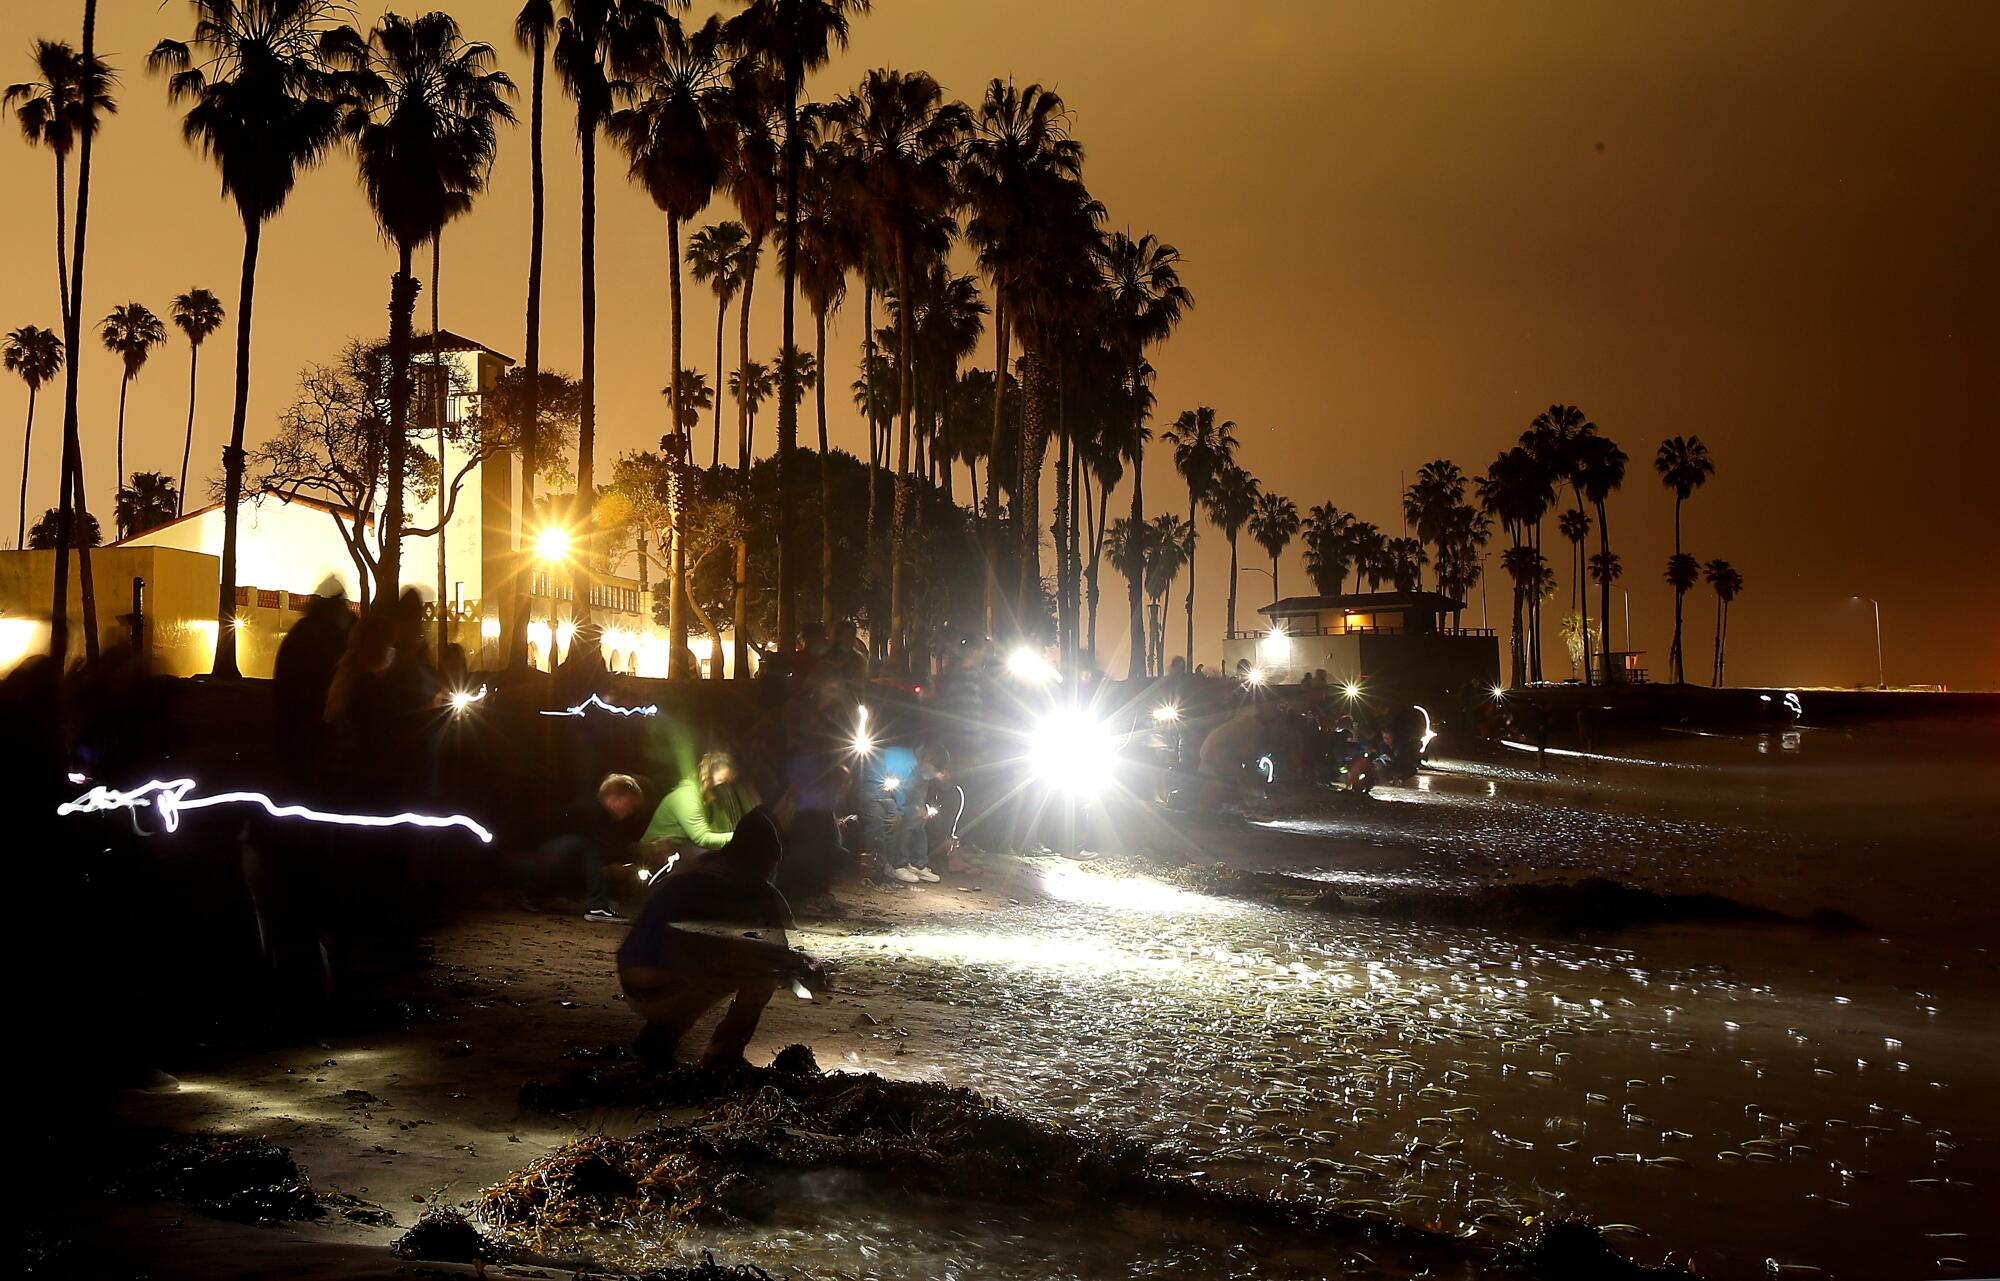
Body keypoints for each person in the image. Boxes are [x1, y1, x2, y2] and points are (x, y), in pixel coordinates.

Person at [617, 806, 821, 1068]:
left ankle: (658, 1037)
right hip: (666, 990)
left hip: (630, 980)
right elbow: (789, 952)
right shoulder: (759, 889)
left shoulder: (699, 864)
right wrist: (810, 974)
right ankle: (724, 1054)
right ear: (767, 859)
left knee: (709, 955)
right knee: (764, 969)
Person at [534, 773, 650, 922]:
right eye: (629, 804)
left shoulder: (605, 818)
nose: (630, 810)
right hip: (544, 858)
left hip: (556, 861)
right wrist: (613, 866)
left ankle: (554, 896)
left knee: (592, 853)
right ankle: (597, 907)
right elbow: (599, 845)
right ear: (613, 798)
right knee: (589, 846)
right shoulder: (591, 812)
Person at [642, 750, 758, 855]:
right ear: (709, 774)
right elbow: (702, 839)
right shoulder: (687, 797)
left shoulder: (706, 795)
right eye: (722, 781)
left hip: (675, 851)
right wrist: (739, 836)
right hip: (652, 854)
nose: (723, 787)